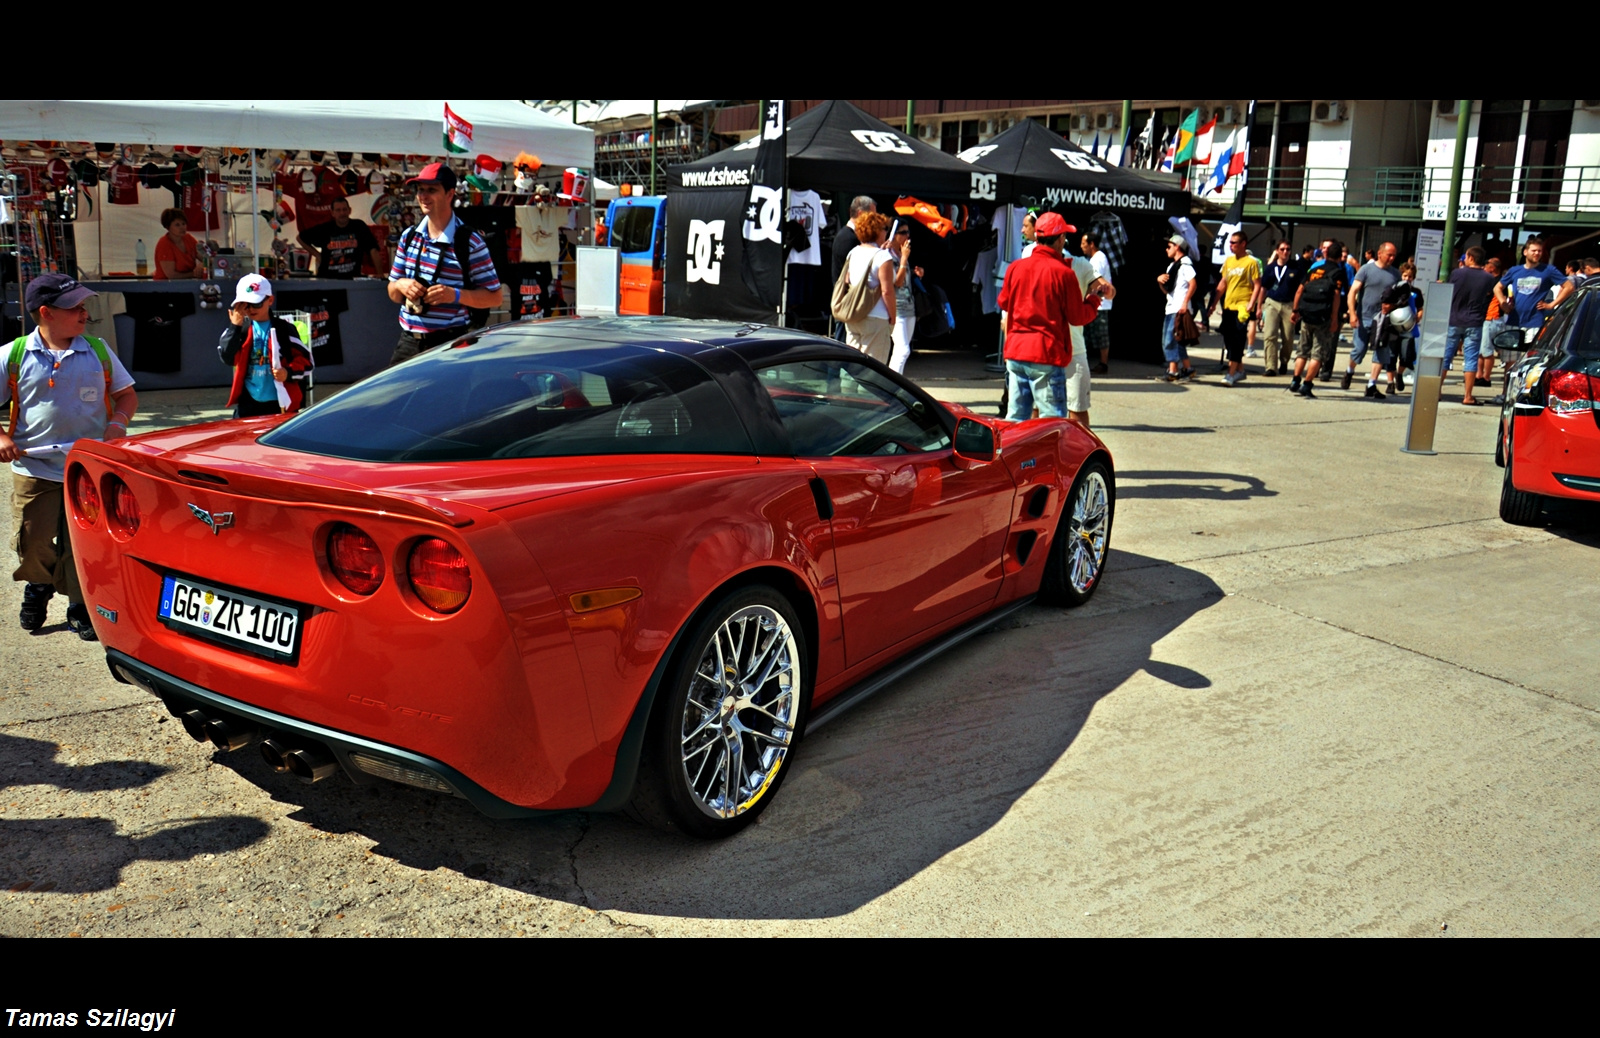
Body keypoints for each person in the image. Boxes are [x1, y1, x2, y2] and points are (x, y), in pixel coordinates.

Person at [0, 274, 137, 638]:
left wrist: (118, 425)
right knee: (33, 539)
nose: (83, 313)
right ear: (45, 313)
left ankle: (80, 602)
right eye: (74, 307)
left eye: (83, 306)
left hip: (86, 468)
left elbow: (126, 396)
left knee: (84, 540)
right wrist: (1, 437)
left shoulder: (97, 350)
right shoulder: (13, 355)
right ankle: (39, 584)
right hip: (35, 468)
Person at [387, 162, 503, 366]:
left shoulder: (470, 241)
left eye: (431, 190)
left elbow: (495, 297)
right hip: (408, 342)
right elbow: (393, 293)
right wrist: (399, 285)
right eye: (420, 190)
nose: (423, 196)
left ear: (450, 194)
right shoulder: (409, 237)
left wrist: (454, 295)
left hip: (450, 345)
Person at [997, 212, 1106, 419]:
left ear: (1037, 237)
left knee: (1016, 421)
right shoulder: (1064, 273)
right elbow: (1077, 317)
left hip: (1016, 353)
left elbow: (1003, 302)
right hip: (1046, 353)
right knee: (1050, 423)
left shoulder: (1016, 267)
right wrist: (1093, 299)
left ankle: (1013, 452)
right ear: (1060, 239)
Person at [219, 275, 313, 417]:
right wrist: (235, 327)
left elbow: (306, 362)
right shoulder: (241, 329)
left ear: (270, 300)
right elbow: (227, 358)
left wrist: (288, 373)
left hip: (280, 402)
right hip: (248, 402)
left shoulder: (284, 329)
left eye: (256, 303)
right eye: (246, 305)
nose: (251, 309)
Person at [1286, 238, 1350, 399]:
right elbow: (1336, 296)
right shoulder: (1338, 272)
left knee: (1303, 349)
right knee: (1318, 353)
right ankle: (1307, 385)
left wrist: (1295, 310)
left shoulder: (1314, 270)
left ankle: (1295, 380)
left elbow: (1300, 290)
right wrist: (1335, 318)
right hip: (1323, 317)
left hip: (1307, 314)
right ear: (1339, 256)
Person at [1341, 241, 1400, 392]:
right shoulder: (1366, 270)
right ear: (1380, 254)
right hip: (1364, 317)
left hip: (1384, 320)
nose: (1392, 258)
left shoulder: (1395, 274)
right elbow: (1353, 291)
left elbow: (1401, 297)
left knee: (1381, 352)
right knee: (1359, 350)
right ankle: (1349, 371)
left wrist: (1392, 306)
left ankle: (1372, 384)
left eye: (1394, 255)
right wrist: (1352, 314)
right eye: (1389, 255)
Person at [841, 211, 897, 364]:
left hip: (854, 314)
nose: (886, 232)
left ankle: (847, 388)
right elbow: (887, 291)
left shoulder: (853, 253)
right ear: (877, 231)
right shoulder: (883, 257)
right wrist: (893, 316)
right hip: (876, 316)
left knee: (852, 364)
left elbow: (848, 280)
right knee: (874, 367)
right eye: (884, 228)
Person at [1444, 246, 1497, 405]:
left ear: (1471, 258)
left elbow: (1449, 291)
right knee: (1471, 358)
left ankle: (1437, 391)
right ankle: (1467, 395)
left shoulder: (1457, 273)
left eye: (1466, 257)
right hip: (1475, 321)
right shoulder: (1488, 278)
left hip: (1454, 319)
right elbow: (1488, 294)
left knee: (1446, 356)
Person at [1495, 238, 1566, 349]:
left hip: (1535, 322)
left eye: (1539, 251)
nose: (1537, 253)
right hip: (1514, 320)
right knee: (1510, 359)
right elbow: (1497, 288)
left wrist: (1552, 304)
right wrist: (1503, 303)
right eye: (1534, 250)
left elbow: (1569, 287)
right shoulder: (1514, 270)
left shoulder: (1548, 270)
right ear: (1525, 252)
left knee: (1529, 357)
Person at [1210, 232, 1261, 385]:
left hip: (1242, 307)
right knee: (1228, 340)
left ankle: (1230, 374)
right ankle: (1240, 370)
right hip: (1228, 306)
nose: (1231, 245)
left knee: (1238, 341)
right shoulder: (1229, 261)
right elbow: (1223, 283)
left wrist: (1252, 303)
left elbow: (1257, 284)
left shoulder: (1251, 262)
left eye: (1234, 243)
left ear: (1243, 243)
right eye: (1230, 243)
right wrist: (1213, 303)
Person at [298, 196, 385, 279]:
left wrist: (380, 273)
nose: (342, 213)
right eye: (338, 210)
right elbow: (300, 238)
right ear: (332, 213)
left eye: (344, 209)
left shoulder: (359, 226)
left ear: (349, 210)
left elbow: (373, 250)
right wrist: (317, 255)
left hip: (352, 280)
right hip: (327, 280)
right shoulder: (325, 229)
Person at [831, 196, 877, 340]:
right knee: (842, 350)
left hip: (850, 303)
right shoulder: (847, 238)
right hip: (848, 304)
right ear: (860, 214)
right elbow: (850, 274)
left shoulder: (851, 237)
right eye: (872, 215)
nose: (874, 219)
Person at [1256, 240, 1301, 376]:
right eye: (1282, 249)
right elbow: (1263, 288)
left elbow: (1301, 288)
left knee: (1288, 337)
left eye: (1288, 249)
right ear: (1277, 251)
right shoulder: (1270, 268)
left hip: (1289, 304)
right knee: (1270, 335)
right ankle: (1270, 367)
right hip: (1272, 303)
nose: (1285, 252)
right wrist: (1259, 307)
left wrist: (1297, 308)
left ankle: (1284, 360)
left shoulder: (1295, 267)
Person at [1158, 234, 1198, 382]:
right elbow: (1168, 291)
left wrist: (1184, 303)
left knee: (1170, 340)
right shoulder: (1172, 266)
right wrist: (1160, 282)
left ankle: (1173, 371)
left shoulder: (1185, 264)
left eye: (1169, 246)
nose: (1166, 249)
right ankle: (1188, 369)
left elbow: (1193, 284)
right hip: (1171, 307)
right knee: (1178, 340)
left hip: (1178, 309)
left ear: (1177, 247)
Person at [887, 221, 920, 374]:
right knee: (903, 350)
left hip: (909, 306)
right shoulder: (888, 256)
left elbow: (905, 279)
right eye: (903, 233)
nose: (907, 236)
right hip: (896, 308)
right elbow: (897, 282)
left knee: (901, 351)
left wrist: (914, 272)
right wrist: (904, 259)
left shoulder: (901, 254)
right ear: (893, 235)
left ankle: (894, 380)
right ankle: (892, 385)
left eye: (908, 232)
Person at [1081, 231, 1113, 374]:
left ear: (1091, 244)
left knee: (1101, 335)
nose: (1081, 247)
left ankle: (1103, 363)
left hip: (1100, 305)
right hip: (1095, 304)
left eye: (1083, 243)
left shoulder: (1098, 259)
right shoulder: (1093, 259)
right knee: (1091, 334)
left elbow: (1097, 282)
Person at [153, 209, 202, 280]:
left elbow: (206, 258)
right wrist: (194, 274)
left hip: (188, 283)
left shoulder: (189, 238)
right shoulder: (164, 244)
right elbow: (171, 275)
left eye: (183, 223)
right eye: (177, 225)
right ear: (168, 227)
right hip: (166, 287)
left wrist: (202, 264)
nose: (182, 227)